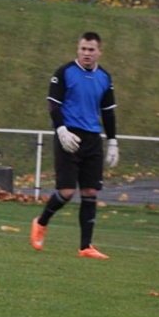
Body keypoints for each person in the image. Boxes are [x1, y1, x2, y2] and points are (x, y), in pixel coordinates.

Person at [30, 32, 118, 259]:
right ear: (78, 50)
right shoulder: (64, 72)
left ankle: (86, 247)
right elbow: (53, 104)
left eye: (91, 49)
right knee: (67, 191)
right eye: (83, 49)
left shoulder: (105, 78)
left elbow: (108, 113)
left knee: (90, 191)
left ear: (99, 51)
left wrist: (113, 142)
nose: (87, 53)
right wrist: (61, 130)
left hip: (92, 139)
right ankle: (41, 222)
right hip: (68, 135)